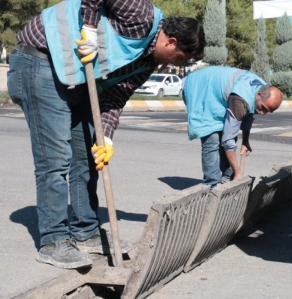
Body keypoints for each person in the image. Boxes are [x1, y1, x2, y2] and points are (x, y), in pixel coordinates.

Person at [7, 0, 205, 270]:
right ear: (171, 42)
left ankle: (85, 232)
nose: (177, 64)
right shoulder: (141, 13)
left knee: (87, 159)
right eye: (181, 58)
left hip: (74, 78)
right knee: (55, 161)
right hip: (40, 62)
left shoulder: (147, 63)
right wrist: (88, 28)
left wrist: (107, 137)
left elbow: (116, 96)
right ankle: (53, 241)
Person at [183, 66, 283, 187]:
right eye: (263, 108)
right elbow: (228, 140)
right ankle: (211, 186)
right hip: (200, 89)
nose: (262, 113)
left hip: (217, 93)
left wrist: (245, 141)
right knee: (212, 139)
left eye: (268, 111)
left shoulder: (261, 90)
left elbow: (247, 116)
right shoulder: (241, 99)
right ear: (258, 94)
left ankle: (228, 180)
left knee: (227, 135)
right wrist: (238, 171)